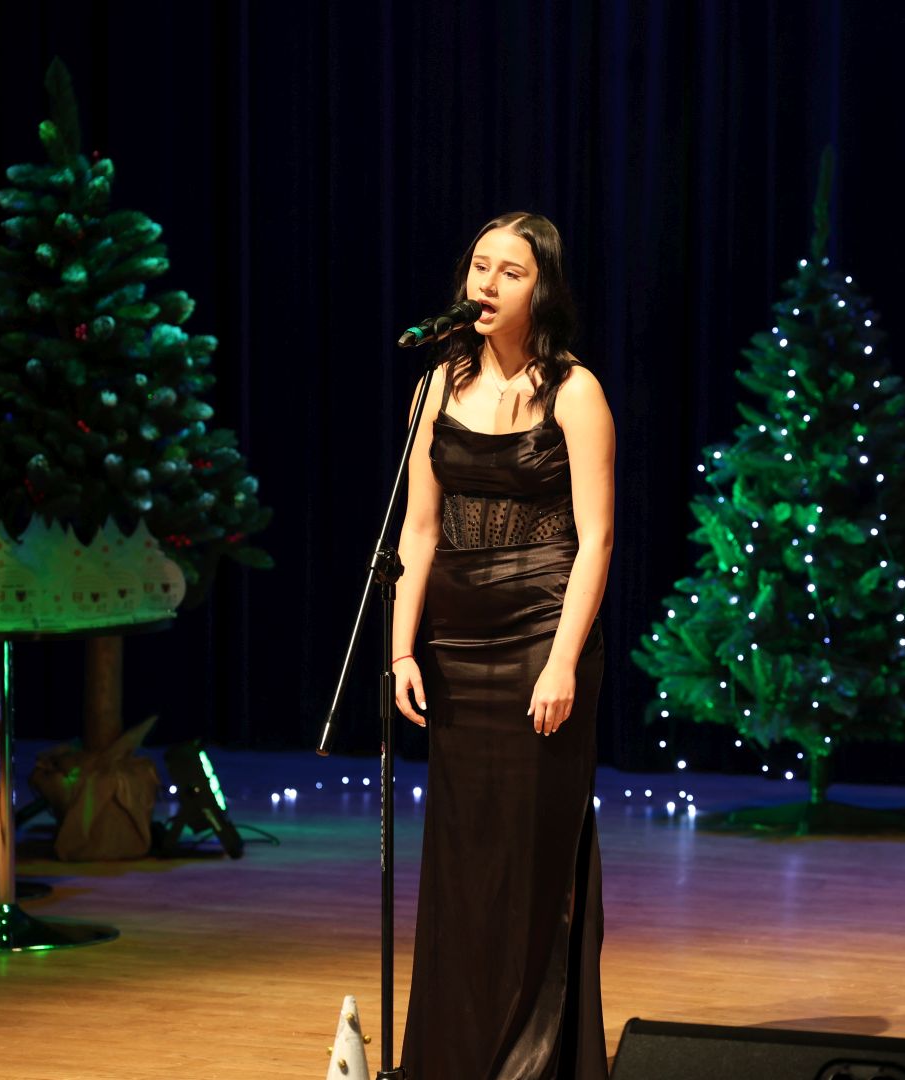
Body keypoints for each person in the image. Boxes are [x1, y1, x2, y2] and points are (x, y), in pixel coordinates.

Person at [391, 211, 615, 1080]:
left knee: (530, 859)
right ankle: (452, 1058)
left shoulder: (575, 392)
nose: (486, 283)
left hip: (539, 637)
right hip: (455, 641)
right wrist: (402, 650)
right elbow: (418, 531)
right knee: (462, 858)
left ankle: (529, 1063)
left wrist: (562, 661)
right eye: (479, 265)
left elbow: (595, 539)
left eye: (509, 271)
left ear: (541, 288)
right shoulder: (436, 387)